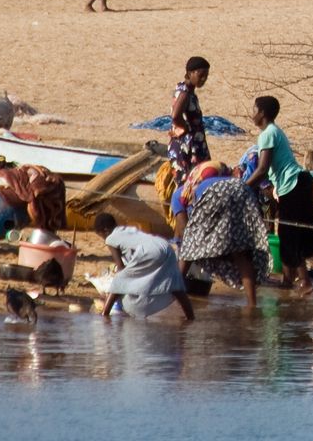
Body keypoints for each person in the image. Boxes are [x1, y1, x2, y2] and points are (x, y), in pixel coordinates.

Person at [246, 95, 313, 295]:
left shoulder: (267, 134)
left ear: (262, 113)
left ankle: (305, 282)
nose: (252, 114)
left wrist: (243, 187)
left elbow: (262, 169)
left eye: (254, 110)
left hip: (294, 185)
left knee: (290, 234)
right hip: (299, 183)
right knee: (287, 232)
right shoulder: (274, 131)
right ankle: (287, 280)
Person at [178, 174, 269, 307]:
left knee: (189, 244)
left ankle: (174, 291)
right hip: (243, 189)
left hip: (217, 192)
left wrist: (193, 248)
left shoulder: (178, 195)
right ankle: (252, 304)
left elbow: (184, 230)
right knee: (240, 250)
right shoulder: (207, 179)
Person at [93, 213, 193, 320]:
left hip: (150, 251)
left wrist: (120, 284)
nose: (103, 239)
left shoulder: (110, 238)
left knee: (119, 280)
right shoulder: (127, 230)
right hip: (165, 247)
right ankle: (190, 317)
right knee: (175, 284)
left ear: (105, 230)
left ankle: (105, 314)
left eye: (101, 236)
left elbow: (120, 268)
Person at [165, 56, 212, 213]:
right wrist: (185, 128)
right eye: (201, 75)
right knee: (188, 188)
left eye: (206, 76)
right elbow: (175, 116)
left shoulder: (187, 91)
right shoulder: (185, 93)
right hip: (186, 148)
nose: (204, 79)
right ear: (190, 73)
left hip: (193, 146)